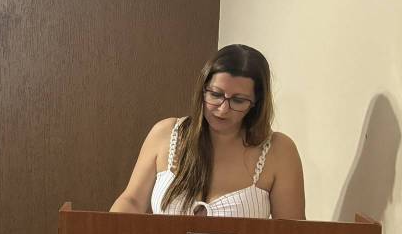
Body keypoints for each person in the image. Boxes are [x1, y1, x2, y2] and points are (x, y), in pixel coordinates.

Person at [111, 44, 305, 219]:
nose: (223, 109)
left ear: (256, 103)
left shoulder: (279, 150)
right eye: (215, 94)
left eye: (238, 100)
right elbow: (132, 201)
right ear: (202, 90)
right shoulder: (165, 133)